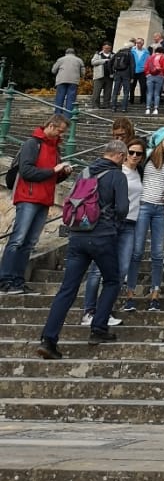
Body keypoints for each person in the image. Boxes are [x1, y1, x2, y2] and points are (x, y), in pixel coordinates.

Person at [36, 139, 129, 359]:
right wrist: (114, 225)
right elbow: (123, 208)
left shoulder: (86, 172)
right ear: (118, 155)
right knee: (113, 280)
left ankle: (48, 340)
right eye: (124, 157)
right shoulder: (117, 175)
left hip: (78, 235)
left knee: (67, 289)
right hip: (103, 236)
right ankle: (98, 328)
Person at [0, 116, 69, 294]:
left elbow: (51, 177)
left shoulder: (55, 148)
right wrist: (53, 170)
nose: (61, 135)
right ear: (51, 126)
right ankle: (5, 279)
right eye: (60, 131)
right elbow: (27, 171)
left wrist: (63, 173)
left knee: (30, 242)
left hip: (44, 198)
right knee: (18, 239)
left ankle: (17, 280)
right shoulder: (32, 144)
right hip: (28, 197)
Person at [81, 140, 143, 326]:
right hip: (111, 224)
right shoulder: (115, 171)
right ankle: (90, 311)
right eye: (130, 152)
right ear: (122, 154)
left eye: (138, 154)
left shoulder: (139, 173)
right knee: (97, 270)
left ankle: (104, 311)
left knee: (122, 269)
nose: (133, 156)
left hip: (130, 225)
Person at [125, 127, 164, 311]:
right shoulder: (145, 156)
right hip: (144, 206)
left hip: (160, 209)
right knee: (137, 251)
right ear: (159, 141)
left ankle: (155, 294)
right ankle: (130, 294)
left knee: (158, 254)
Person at [50, 48, 85, 117]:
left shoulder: (60, 59)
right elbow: (83, 73)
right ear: (74, 53)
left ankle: (58, 114)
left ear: (66, 53)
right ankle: (68, 115)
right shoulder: (79, 60)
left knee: (60, 97)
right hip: (73, 81)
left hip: (61, 80)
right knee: (71, 99)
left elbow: (53, 70)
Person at [144, 45, 164, 116]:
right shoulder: (163, 57)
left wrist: (147, 74)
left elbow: (146, 66)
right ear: (162, 52)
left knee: (149, 93)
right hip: (159, 76)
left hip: (150, 76)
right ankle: (156, 109)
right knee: (157, 93)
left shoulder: (150, 57)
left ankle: (148, 109)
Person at [108, 43, 134, 112]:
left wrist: (111, 72)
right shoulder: (130, 54)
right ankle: (124, 108)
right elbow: (132, 66)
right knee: (126, 92)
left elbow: (109, 62)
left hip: (117, 73)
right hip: (126, 74)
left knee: (115, 91)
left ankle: (113, 107)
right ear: (130, 48)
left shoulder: (117, 53)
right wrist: (132, 77)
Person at [89, 44, 113, 109]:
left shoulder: (113, 55)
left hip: (109, 76)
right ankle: (95, 105)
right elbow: (93, 62)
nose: (107, 49)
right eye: (105, 48)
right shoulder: (98, 54)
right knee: (96, 92)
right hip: (99, 76)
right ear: (103, 48)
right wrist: (104, 60)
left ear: (110, 48)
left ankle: (106, 105)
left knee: (108, 92)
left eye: (108, 48)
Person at [129, 38, 150, 108]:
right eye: (137, 43)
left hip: (142, 71)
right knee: (132, 86)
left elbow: (148, 62)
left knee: (143, 86)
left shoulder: (146, 52)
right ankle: (131, 100)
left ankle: (143, 100)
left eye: (140, 43)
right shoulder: (132, 51)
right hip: (133, 71)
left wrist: (147, 71)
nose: (138, 44)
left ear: (143, 44)